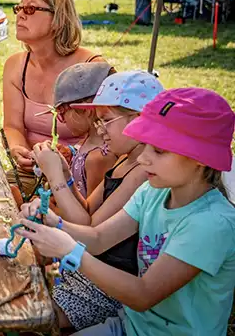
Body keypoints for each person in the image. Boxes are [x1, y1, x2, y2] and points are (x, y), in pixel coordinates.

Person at [19, 87, 235, 336]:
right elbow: (99, 239)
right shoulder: (153, 192)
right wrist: (54, 223)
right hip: (130, 325)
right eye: (146, 147)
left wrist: (71, 251)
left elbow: (143, 295)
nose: (143, 159)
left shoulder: (210, 224)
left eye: (159, 151)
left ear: (201, 158)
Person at [31, 71, 164, 331]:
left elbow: (90, 232)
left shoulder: (141, 175)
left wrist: (55, 177)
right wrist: (68, 177)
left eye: (106, 120)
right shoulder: (125, 159)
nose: (99, 129)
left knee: (32, 315)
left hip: (105, 285)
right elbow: (89, 210)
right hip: (86, 270)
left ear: (138, 120)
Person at [3, 0, 109, 202]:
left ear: (58, 18)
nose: (20, 15)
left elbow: (107, 138)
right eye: (19, 8)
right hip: (32, 171)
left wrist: (69, 153)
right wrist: (18, 150)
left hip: (80, 176)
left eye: (30, 9)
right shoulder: (15, 66)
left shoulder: (92, 69)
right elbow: (12, 126)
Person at [49, 62, 118, 199]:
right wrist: (70, 153)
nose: (61, 121)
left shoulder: (98, 158)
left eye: (62, 114)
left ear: (85, 110)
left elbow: (89, 215)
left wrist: (50, 207)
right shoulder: (90, 139)